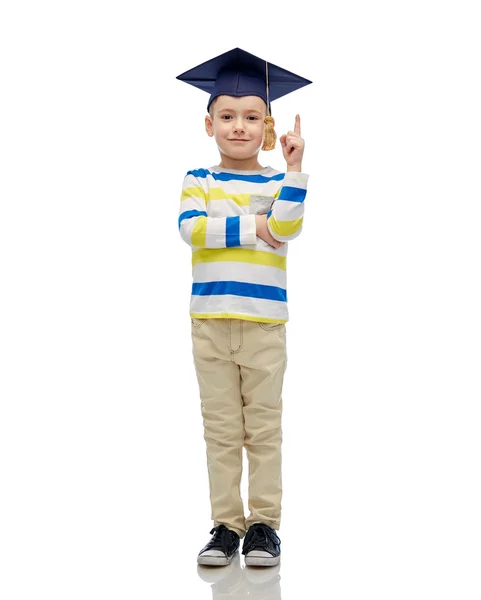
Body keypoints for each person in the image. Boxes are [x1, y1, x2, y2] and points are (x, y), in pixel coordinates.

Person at [176, 48, 312, 567]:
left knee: (264, 429)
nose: (239, 127)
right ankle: (225, 526)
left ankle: (263, 527)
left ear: (269, 125)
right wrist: (255, 227)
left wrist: (296, 170)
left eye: (251, 117)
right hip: (209, 323)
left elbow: (286, 227)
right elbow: (191, 230)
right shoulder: (198, 180)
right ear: (208, 123)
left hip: (263, 326)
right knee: (221, 430)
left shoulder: (279, 183)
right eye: (227, 117)